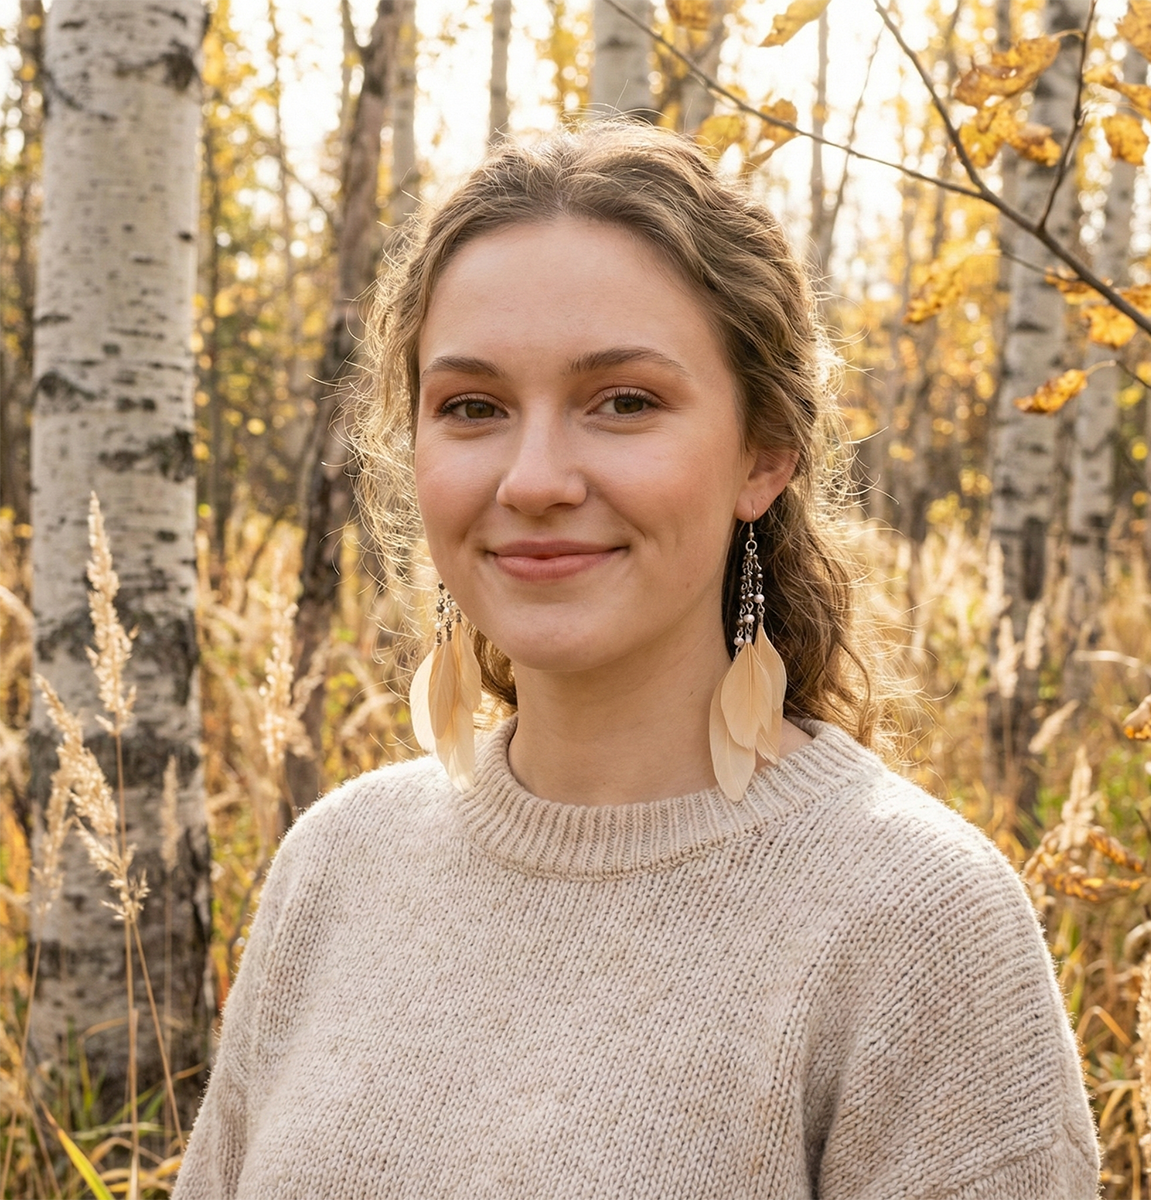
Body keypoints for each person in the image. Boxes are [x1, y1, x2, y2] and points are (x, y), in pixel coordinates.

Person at [175, 122, 1101, 1199]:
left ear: (764, 453)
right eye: (472, 407)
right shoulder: (336, 866)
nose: (534, 478)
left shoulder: (914, 922)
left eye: (623, 401)